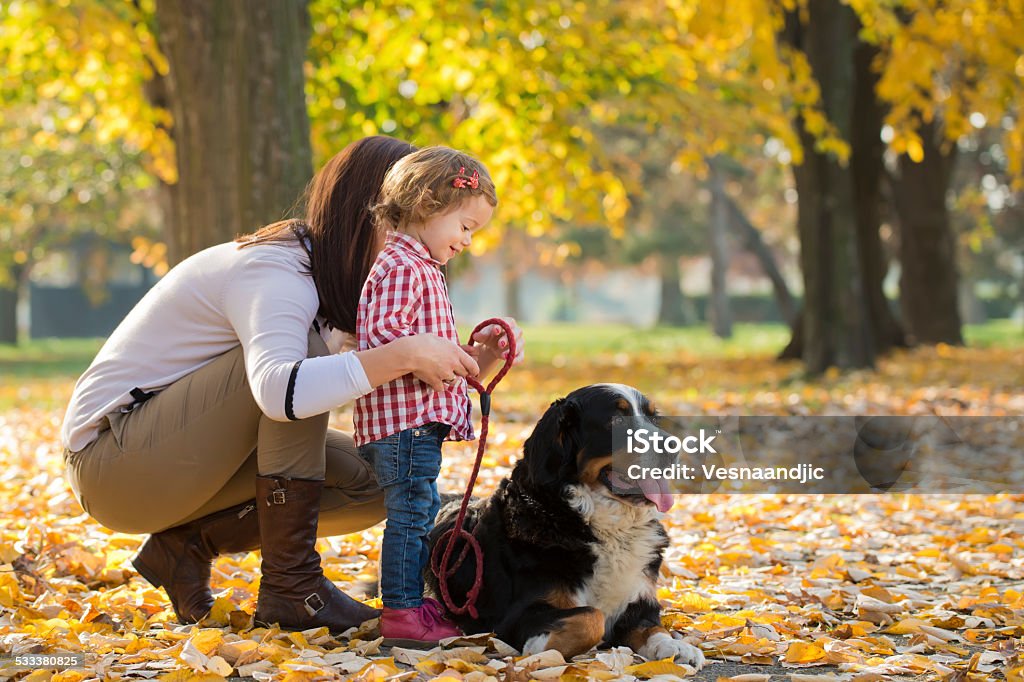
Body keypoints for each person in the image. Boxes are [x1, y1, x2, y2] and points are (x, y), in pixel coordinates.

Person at [59, 135, 524, 634]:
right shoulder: (276, 268)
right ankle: (292, 586)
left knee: (376, 480)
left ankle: (185, 545)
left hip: (184, 462)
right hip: (113, 463)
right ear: (375, 211)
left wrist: (466, 359)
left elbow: (379, 375)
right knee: (302, 361)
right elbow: (281, 392)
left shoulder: (352, 286)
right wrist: (403, 354)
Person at [354, 147, 506, 645]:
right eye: (464, 226)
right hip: (405, 426)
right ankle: (401, 612)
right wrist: (440, 353)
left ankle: (412, 603)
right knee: (412, 516)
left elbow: (423, 349)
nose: (466, 241)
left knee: (418, 511)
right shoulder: (402, 266)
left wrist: (472, 354)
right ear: (426, 205)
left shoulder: (419, 266)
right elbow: (384, 340)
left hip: (417, 423)